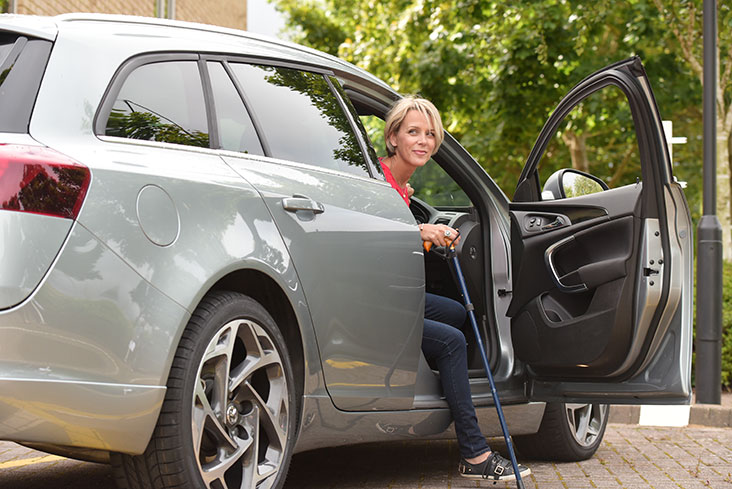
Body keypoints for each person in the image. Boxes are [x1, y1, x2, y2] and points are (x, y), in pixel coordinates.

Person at [380, 96, 531, 482]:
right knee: (451, 341)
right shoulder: (378, 182)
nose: (423, 141)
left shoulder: (400, 187)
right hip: (374, 300)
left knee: (457, 312)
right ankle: (474, 452)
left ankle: (441, 384)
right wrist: (420, 230)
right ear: (393, 136)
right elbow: (373, 235)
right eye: (413, 132)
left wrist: (422, 230)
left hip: (392, 293)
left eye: (430, 134)